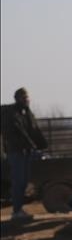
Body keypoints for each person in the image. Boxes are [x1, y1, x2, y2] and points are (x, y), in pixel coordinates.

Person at [1, 88, 47, 220]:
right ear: (18, 99)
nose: (26, 100)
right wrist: (30, 145)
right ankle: (16, 210)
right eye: (24, 98)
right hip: (16, 151)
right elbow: (17, 134)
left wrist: (41, 144)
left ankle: (19, 208)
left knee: (24, 181)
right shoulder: (12, 114)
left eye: (27, 97)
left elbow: (34, 130)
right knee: (18, 181)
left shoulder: (26, 112)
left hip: (26, 151)